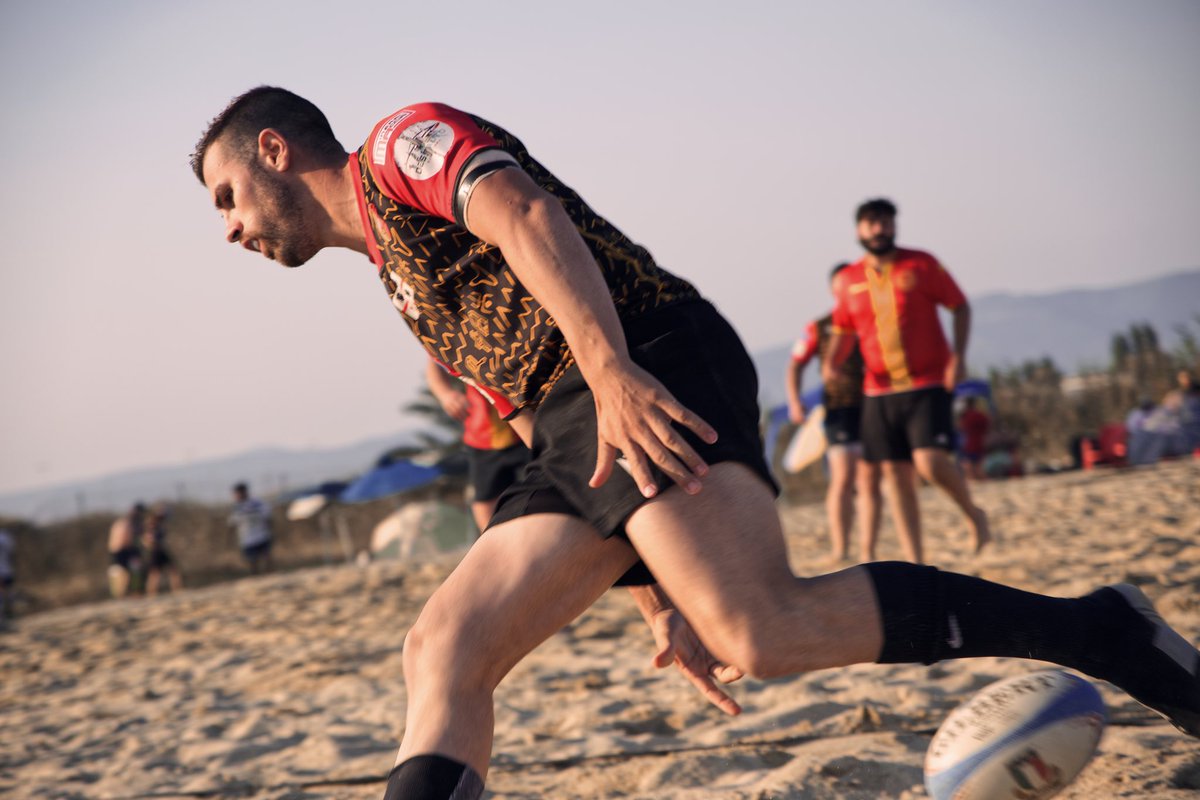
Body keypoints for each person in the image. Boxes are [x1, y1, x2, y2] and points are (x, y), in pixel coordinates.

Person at [191, 88, 1199, 799]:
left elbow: (528, 211)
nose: (229, 230)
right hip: (577, 418)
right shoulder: (400, 277)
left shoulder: (398, 144)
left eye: (226, 196)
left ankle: (1103, 630)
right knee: (442, 645)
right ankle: (1106, 628)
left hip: (650, 353)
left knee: (762, 628)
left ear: (274, 150)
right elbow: (545, 431)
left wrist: (618, 372)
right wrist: (649, 588)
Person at [823, 198, 990, 563]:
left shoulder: (922, 263)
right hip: (878, 391)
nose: (879, 229)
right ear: (859, 231)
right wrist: (832, 362)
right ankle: (916, 560)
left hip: (928, 382)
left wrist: (958, 357)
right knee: (895, 476)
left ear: (895, 226)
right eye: (871, 223)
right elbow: (841, 328)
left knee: (929, 463)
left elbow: (960, 306)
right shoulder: (850, 279)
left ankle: (973, 513)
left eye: (885, 222)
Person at [785, 263, 881, 563]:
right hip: (838, 407)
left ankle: (868, 550)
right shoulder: (820, 325)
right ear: (833, 289)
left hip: (874, 405)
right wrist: (795, 402)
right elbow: (795, 364)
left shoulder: (875, 319)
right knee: (842, 477)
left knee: (869, 480)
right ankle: (841, 548)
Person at [426, 359, 530, 535]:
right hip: (483, 435)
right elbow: (434, 360)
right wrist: (446, 394)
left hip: (526, 425)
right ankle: (494, 545)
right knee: (485, 503)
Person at [228, 482, 273, 574]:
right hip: (247, 539)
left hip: (262, 535)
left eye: (239, 493)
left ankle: (270, 575)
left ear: (245, 492)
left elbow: (268, 517)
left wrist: (270, 531)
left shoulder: (258, 503)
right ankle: (257, 578)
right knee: (252, 561)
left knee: (266, 558)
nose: (237, 495)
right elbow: (232, 524)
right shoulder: (236, 508)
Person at [142, 505, 183, 595]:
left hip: (160, 550)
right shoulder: (153, 523)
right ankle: (151, 593)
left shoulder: (158, 523)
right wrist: (151, 544)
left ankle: (177, 589)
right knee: (155, 573)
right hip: (156, 551)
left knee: (172, 570)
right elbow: (148, 538)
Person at [107, 503, 146, 598]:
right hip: (123, 551)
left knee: (132, 571)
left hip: (119, 551)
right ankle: (130, 592)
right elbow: (126, 539)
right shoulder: (128, 524)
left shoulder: (122, 522)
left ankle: (132, 592)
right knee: (123, 572)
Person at [957, 396, 991, 481]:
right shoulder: (980, 415)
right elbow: (987, 426)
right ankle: (982, 480)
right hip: (980, 442)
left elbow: (961, 428)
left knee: (968, 465)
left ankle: (974, 480)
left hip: (969, 444)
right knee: (978, 465)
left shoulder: (966, 416)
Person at [0, 527, 15, 621]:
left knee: (2, 593)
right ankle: (9, 612)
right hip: (8, 569)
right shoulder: (7, 538)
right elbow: (12, 553)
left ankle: (3, 616)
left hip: (2, 570)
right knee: (8, 592)